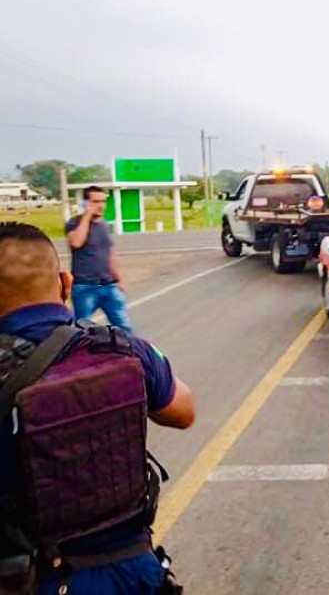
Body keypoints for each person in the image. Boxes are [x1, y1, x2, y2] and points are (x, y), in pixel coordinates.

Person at [0, 222, 196, 594]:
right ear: (65, 283)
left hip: (35, 579)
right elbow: (184, 412)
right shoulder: (123, 348)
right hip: (137, 573)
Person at [66, 186, 132, 333]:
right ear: (85, 203)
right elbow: (76, 242)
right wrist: (87, 217)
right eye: (95, 201)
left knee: (124, 327)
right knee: (81, 329)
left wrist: (119, 279)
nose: (101, 205)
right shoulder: (74, 223)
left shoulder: (104, 225)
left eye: (103, 201)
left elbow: (110, 253)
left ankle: (131, 354)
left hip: (109, 285)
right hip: (85, 287)